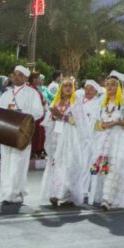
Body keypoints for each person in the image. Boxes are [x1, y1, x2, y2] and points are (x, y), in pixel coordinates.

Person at [88, 75, 124, 210]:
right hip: (103, 142)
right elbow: (94, 124)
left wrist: (122, 123)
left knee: (116, 168)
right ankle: (104, 197)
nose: (109, 87)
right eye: (107, 84)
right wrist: (104, 125)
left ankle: (108, 198)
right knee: (103, 169)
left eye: (113, 84)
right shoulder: (101, 103)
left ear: (118, 87)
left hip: (119, 141)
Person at [0, 66, 44, 204]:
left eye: (20, 75)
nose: (16, 77)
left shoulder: (31, 93)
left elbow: (39, 112)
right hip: (6, 132)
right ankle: (7, 191)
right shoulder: (6, 94)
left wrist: (23, 117)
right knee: (6, 163)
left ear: (26, 78)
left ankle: (15, 193)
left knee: (18, 163)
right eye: (15, 74)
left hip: (22, 133)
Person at [40, 78, 88, 207]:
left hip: (70, 138)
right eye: (65, 86)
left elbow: (80, 121)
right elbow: (48, 120)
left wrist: (63, 117)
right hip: (57, 136)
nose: (68, 88)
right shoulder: (56, 101)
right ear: (61, 88)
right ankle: (56, 193)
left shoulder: (76, 102)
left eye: (70, 86)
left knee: (69, 164)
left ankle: (64, 194)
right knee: (56, 164)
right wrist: (54, 117)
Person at [29, 72, 48, 159]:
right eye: (38, 78)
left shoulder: (36, 88)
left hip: (39, 115)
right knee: (35, 134)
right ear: (34, 79)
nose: (40, 80)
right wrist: (42, 102)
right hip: (35, 116)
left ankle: (38, 150)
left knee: (40, 133)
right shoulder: (31, 89)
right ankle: (33, 151)